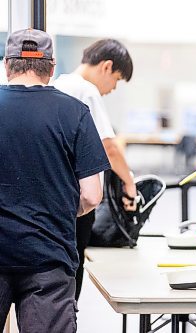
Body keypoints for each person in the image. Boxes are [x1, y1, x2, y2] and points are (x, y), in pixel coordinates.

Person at [0, 28, 110, 332]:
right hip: (48, 258)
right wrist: (53, 209)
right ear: (51, 68)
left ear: (7, 65)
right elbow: (91, 195)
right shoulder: (75, 112)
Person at [54, 39, 137, 300]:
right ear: (106, 66)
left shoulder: (57, 85)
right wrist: (129, 181)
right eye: (117, 80)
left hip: (56, 197)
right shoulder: (86, 90)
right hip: (79, 202)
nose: (112, 89)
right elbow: (108, 147)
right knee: (71, 276)